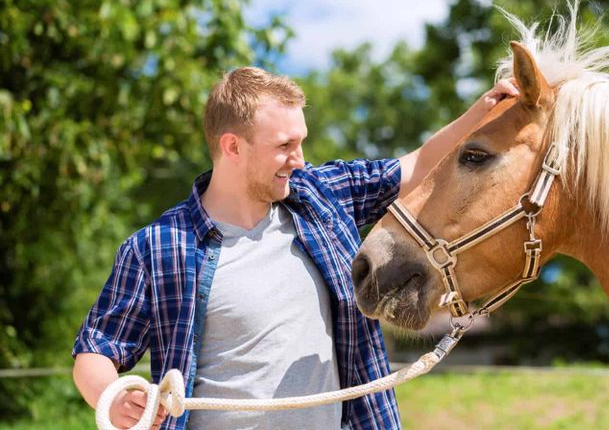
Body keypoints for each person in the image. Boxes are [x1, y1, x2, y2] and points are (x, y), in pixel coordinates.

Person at [72, 67, 518, 430]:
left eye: (300, 141)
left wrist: (482, 112)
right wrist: (111, 399)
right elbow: (96, 349)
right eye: (285, 146)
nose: (300, 159)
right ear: (233, 147)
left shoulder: (322, 196)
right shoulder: (158, 248)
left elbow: (418, 165)